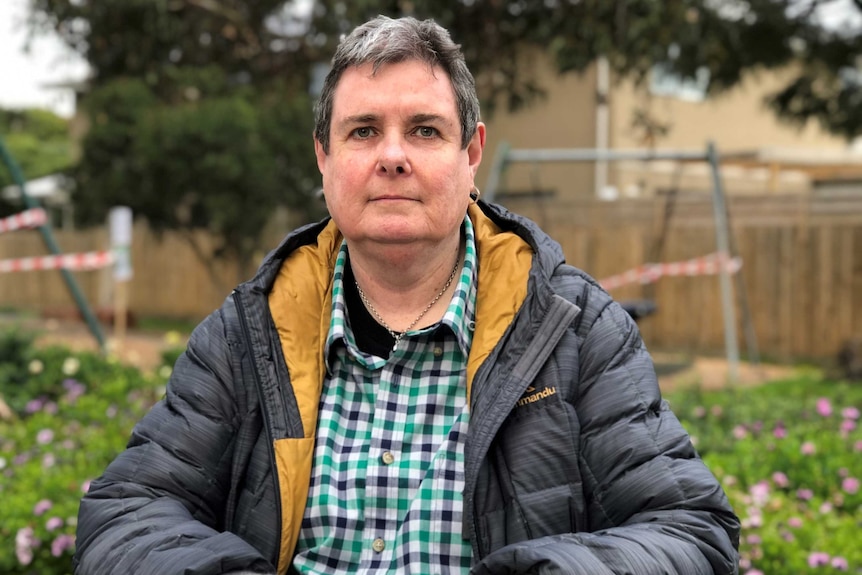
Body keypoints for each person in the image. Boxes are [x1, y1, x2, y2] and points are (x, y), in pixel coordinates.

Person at [73, 15, 740, 575]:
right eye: (363, 131)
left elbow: (690, 530)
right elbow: (126, 512)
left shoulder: (575, 330)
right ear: (323, 158)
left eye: (424, 130)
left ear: (471, 153)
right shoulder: (249, 332)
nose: (393, 155)